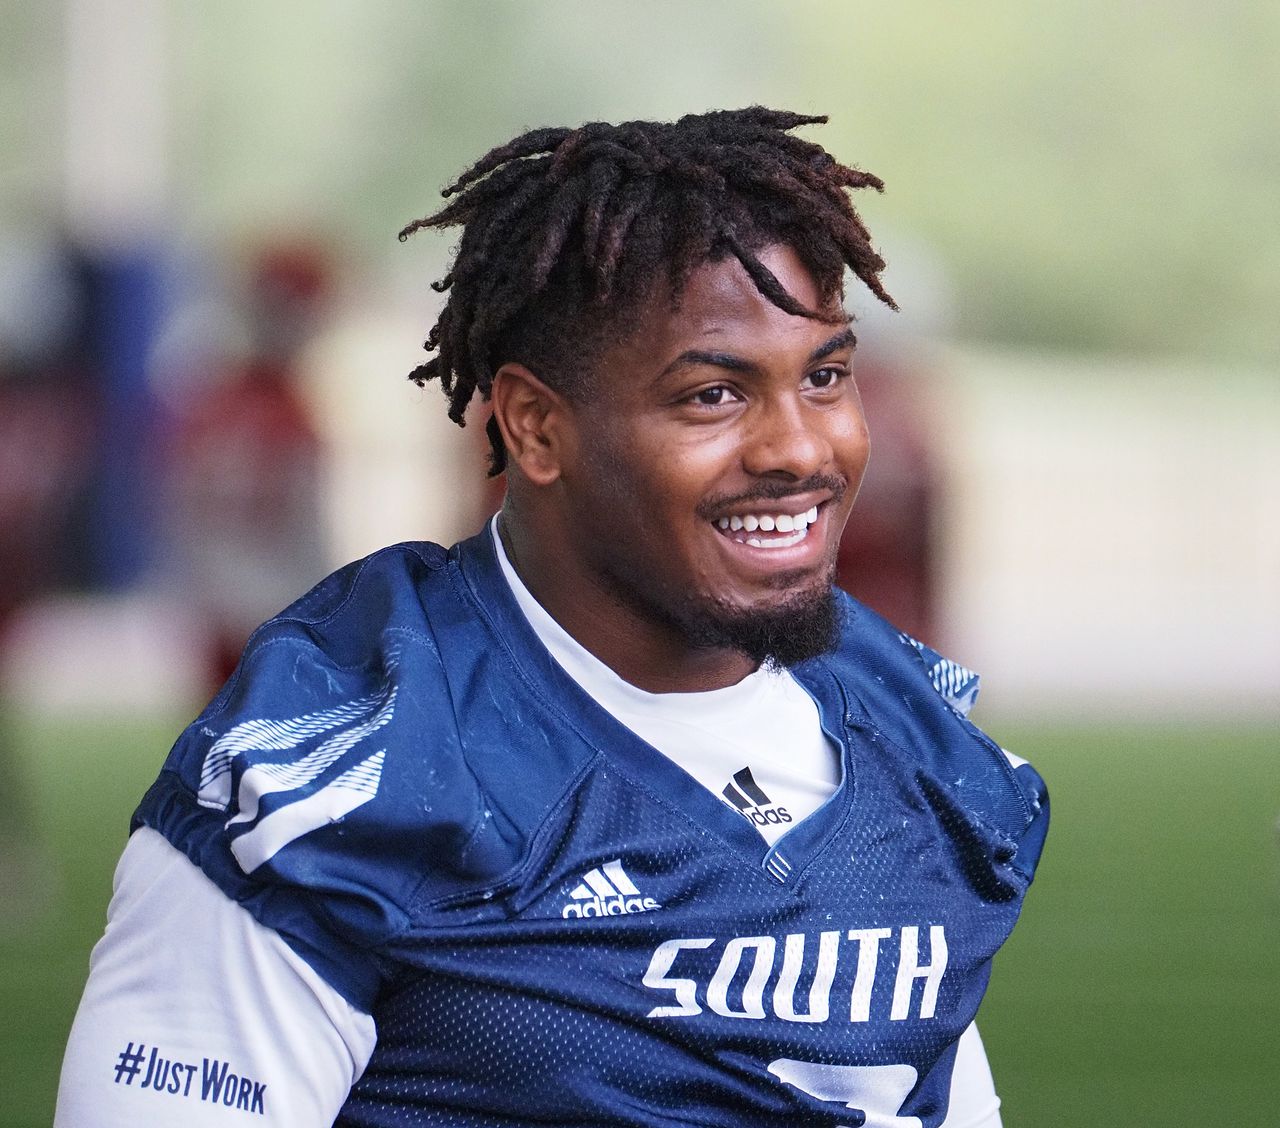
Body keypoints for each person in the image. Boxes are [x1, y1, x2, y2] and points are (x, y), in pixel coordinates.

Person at [56, 108, 1048, 1127]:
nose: (800, 448)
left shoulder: (909, 735)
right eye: (712, 394)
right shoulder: (339, 771)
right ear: (533, 425)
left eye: (824, 377)